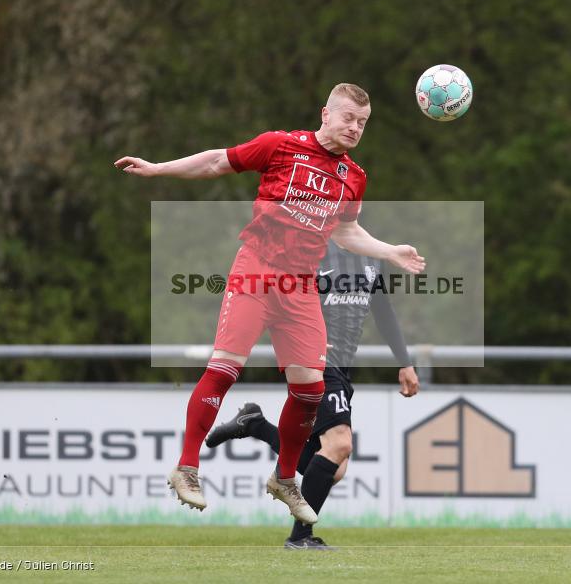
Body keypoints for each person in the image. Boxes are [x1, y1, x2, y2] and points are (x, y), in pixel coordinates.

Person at [114, 84, 425, 525]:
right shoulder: (281, 145)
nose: (355, 128)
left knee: (311, 390)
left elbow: (346, 232)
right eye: (349, 119)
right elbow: (217, 161)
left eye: (363, 122)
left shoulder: (354, 176)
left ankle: (284, 479)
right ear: (326, 114)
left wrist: (389, 250)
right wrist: (158, 169)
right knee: (224, 368)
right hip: (257, 271)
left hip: (300, 285)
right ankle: (186, 467)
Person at [206, 239, 420, 549]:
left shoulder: (374, 256)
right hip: (314, 361)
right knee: (340, 444)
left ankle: (256, 425)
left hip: (341, 367)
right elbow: (276, 300)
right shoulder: (309, 249)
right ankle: (300, 537)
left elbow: (383, 311)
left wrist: (404, 362)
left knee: (334, 467)